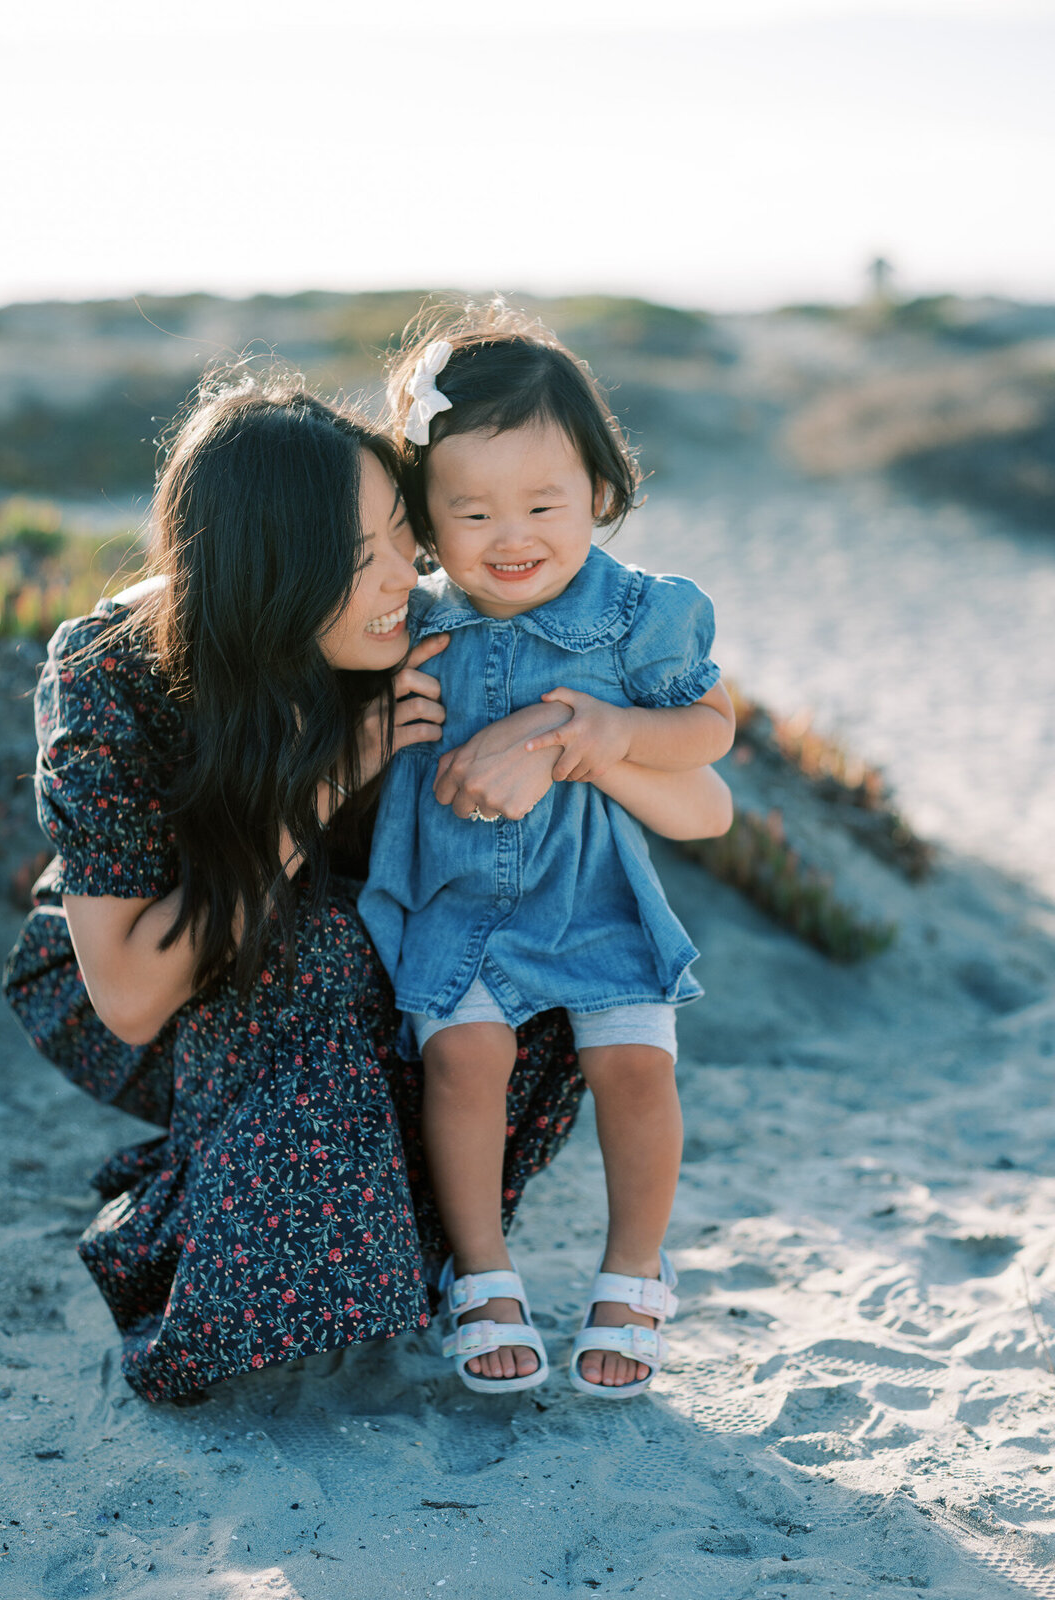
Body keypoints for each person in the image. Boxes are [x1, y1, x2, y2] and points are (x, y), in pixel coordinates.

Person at [3, 371, 729, 1403]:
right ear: (275, 571)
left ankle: (368, 1226)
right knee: (323, 950)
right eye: (362, 558)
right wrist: (337, 772)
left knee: (543, 977)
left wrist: (573, 737)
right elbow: (126, 995)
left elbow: (705, 800)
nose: (407, 576)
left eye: (406, 534)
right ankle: (204, 1217)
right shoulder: (112, 673)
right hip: (142, 976)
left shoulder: (416, 629)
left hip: (347, 961)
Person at [358, 307, 735, 1398]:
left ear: (600, 495)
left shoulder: (634, 615)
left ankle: (632, 1270)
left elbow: (709, 732)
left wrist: (610, 733)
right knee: (463, 1062)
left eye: (542, 503)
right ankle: (482, 1274)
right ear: (423, 517)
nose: (510, 534)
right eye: (470, 509)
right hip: (457, 893)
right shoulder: (411, 622)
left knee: (637, 1065)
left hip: (598, 891)